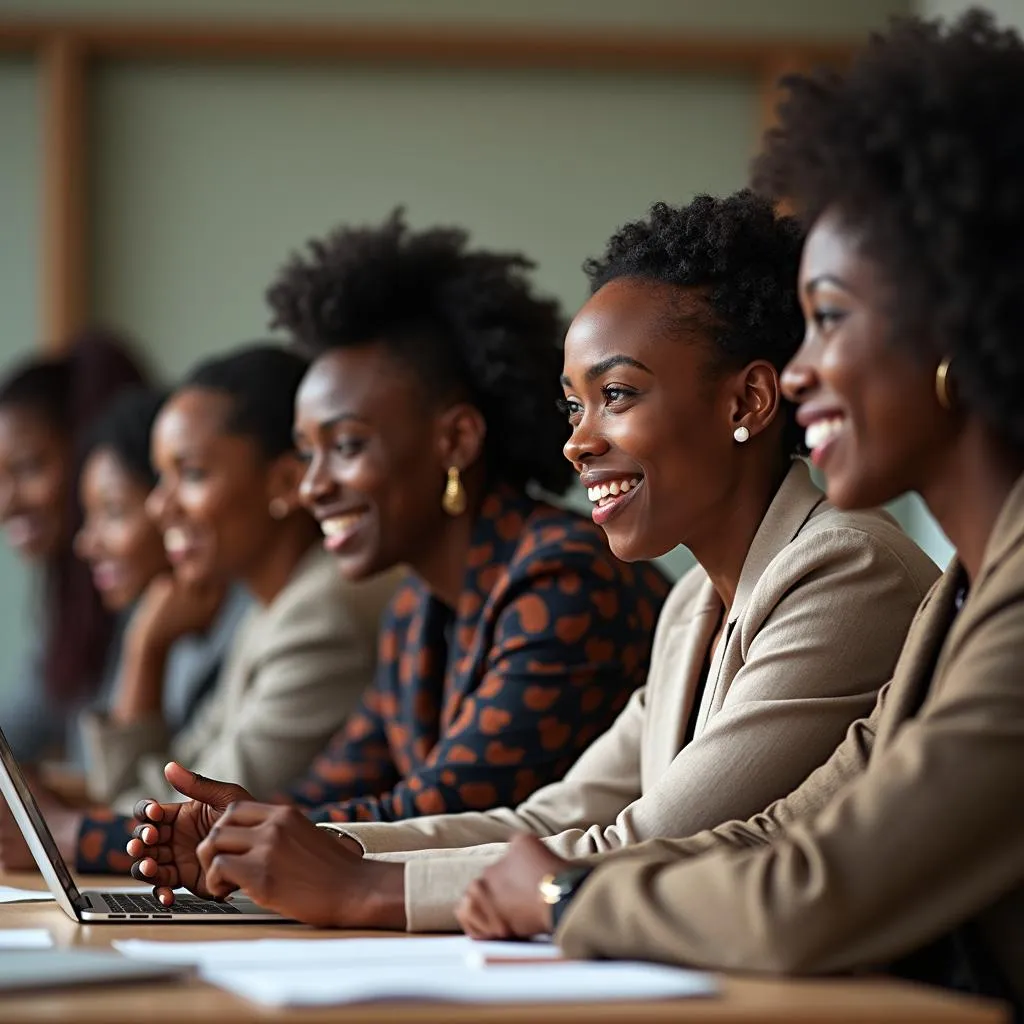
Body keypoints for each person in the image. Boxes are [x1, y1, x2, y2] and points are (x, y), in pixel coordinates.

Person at [132, 195, 937, 930]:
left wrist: (361, 886)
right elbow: (548, 819)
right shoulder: (694, 601)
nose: (578, 441)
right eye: (573, 404)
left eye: (616, 395)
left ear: (748, 403)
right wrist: (298, 845)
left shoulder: (843, 569)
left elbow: (652, 840)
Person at [456, 11, 1024, 1015]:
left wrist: (557, 894)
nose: (799, 371)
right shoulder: (967, 594)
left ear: (960, 325)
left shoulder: (919, 578)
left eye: (831, 320)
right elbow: (792, 835)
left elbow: (811, 893)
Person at [125, 210, 670, 906]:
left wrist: (94, 833)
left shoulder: (564, 578)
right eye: (307, 451)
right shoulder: (417, 607)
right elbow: (331, 791)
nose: (314, 485)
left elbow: (432, 807)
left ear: (456, 441)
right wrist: (216, 832)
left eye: (346, 446)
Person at [0, 344, 397, 873]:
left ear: (282, 483)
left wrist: (67, 832)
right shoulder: (269, 610)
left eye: (189, 474)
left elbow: (196, 818)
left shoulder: (319, 614)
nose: (160, 506)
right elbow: (157, 787)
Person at [73, 388, 251, 779]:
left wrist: (144, 651)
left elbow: (134, 795)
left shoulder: (247, 622)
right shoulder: (147, 615)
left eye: (114, 513)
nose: (86, 542)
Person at [0, 328, 147, 765]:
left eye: (29, 468)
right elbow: (18, 727)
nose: (6, 501)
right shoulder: (71, 603)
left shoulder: (161, 603)